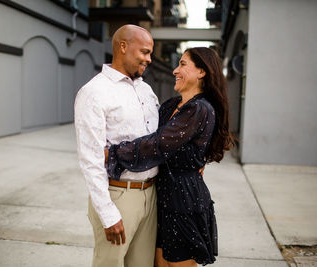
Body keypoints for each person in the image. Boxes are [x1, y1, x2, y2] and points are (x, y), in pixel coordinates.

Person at [106, 47, 234, 267]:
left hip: (184, 201)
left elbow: (157, 144)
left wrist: (114, 152)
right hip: (161, 198)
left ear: (202, 72)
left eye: (183, 64)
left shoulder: (200, 109)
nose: (175, 70)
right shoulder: (171, 105)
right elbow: (146, 134)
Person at [74, 25, 160, 267]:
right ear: (123, 46)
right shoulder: (94, 92)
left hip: (150, 195)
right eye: (144, 51)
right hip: (118, 195)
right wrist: (108, 213)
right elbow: (90, 159)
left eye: (150, 53)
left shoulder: (146, 90)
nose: (149, 59)